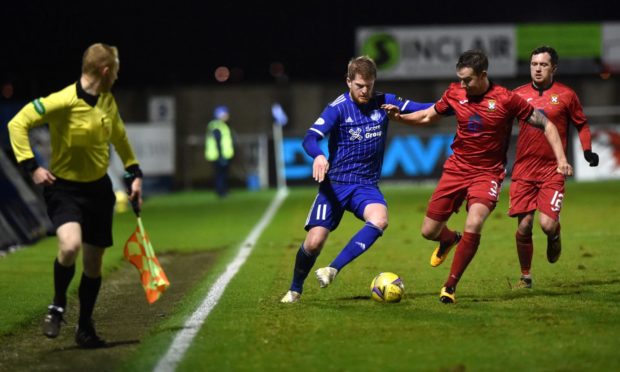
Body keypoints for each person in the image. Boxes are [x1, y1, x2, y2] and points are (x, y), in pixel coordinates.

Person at [382, 49, 573, 304]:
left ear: (483, 75)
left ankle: (450, 286)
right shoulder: (455, 92)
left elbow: (547, 124)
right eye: (460, 79)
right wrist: (400, 118)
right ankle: (449, 239)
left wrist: (561, 160)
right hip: (456, 169)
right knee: (429, 231)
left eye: (468, 80)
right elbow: (428, 115)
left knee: (474, 223)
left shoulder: (506, 99)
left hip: (488, 174)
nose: (463, 84)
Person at [8, 43, 143, 347]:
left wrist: (135, 174)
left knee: (93, 265)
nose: (118, 76)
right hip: (65, 190)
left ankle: (85, 328)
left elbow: (120, 137)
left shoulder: (107, 101)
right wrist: (32, 167)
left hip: (98, 191)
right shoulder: (63, 101)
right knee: (69, 247)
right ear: (105, 70)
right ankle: (57, 305)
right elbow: (18, 123)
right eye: (117, 70)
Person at [280, 56, 432, 303]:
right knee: (314, 242)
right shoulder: (337, 108)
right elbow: (310, 138)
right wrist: (318, 156)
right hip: (335, 184)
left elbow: (425, 107)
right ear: (348, 81)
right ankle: (295, 289)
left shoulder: (384, 102)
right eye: (360, 85)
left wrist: (455, 102)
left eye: (369, 85)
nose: (365, 91)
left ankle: (332, 269)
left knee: (380, 219)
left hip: (364, 185)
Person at [509, 46, 599, 288]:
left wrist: (587, 150)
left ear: (554, 68)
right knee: (525, 225)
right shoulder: (517, 95)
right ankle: (525, 277)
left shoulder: (567, 95)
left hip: (553, 170)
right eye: (534, 64)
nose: (537, 69)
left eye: (543, 65)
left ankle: (555, 235)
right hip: (524, 170)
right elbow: (500, 123)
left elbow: (581, 124)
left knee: (546, 224)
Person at [205, 105, 234, 197]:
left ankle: (224, 190)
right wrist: (221, 155)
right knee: (220, 174)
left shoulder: (219, 125)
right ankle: (221, 191)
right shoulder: (217, 125)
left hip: (221, 154)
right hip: (218, 155)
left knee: (223, 174)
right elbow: (217, 141)